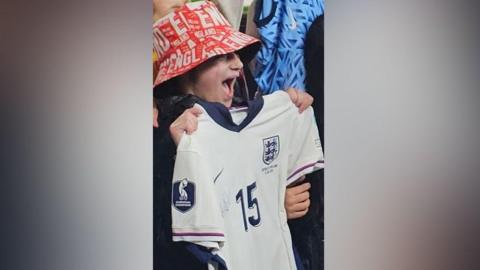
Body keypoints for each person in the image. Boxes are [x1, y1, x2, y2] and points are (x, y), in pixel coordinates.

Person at [153, 1, 317, 269]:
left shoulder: (253, 106)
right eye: (222, 56)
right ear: (186, 71)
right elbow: (170, 243)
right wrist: (271, 205)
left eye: (237, 54)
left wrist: (273, 202)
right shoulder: (164, 139)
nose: (239, 64)